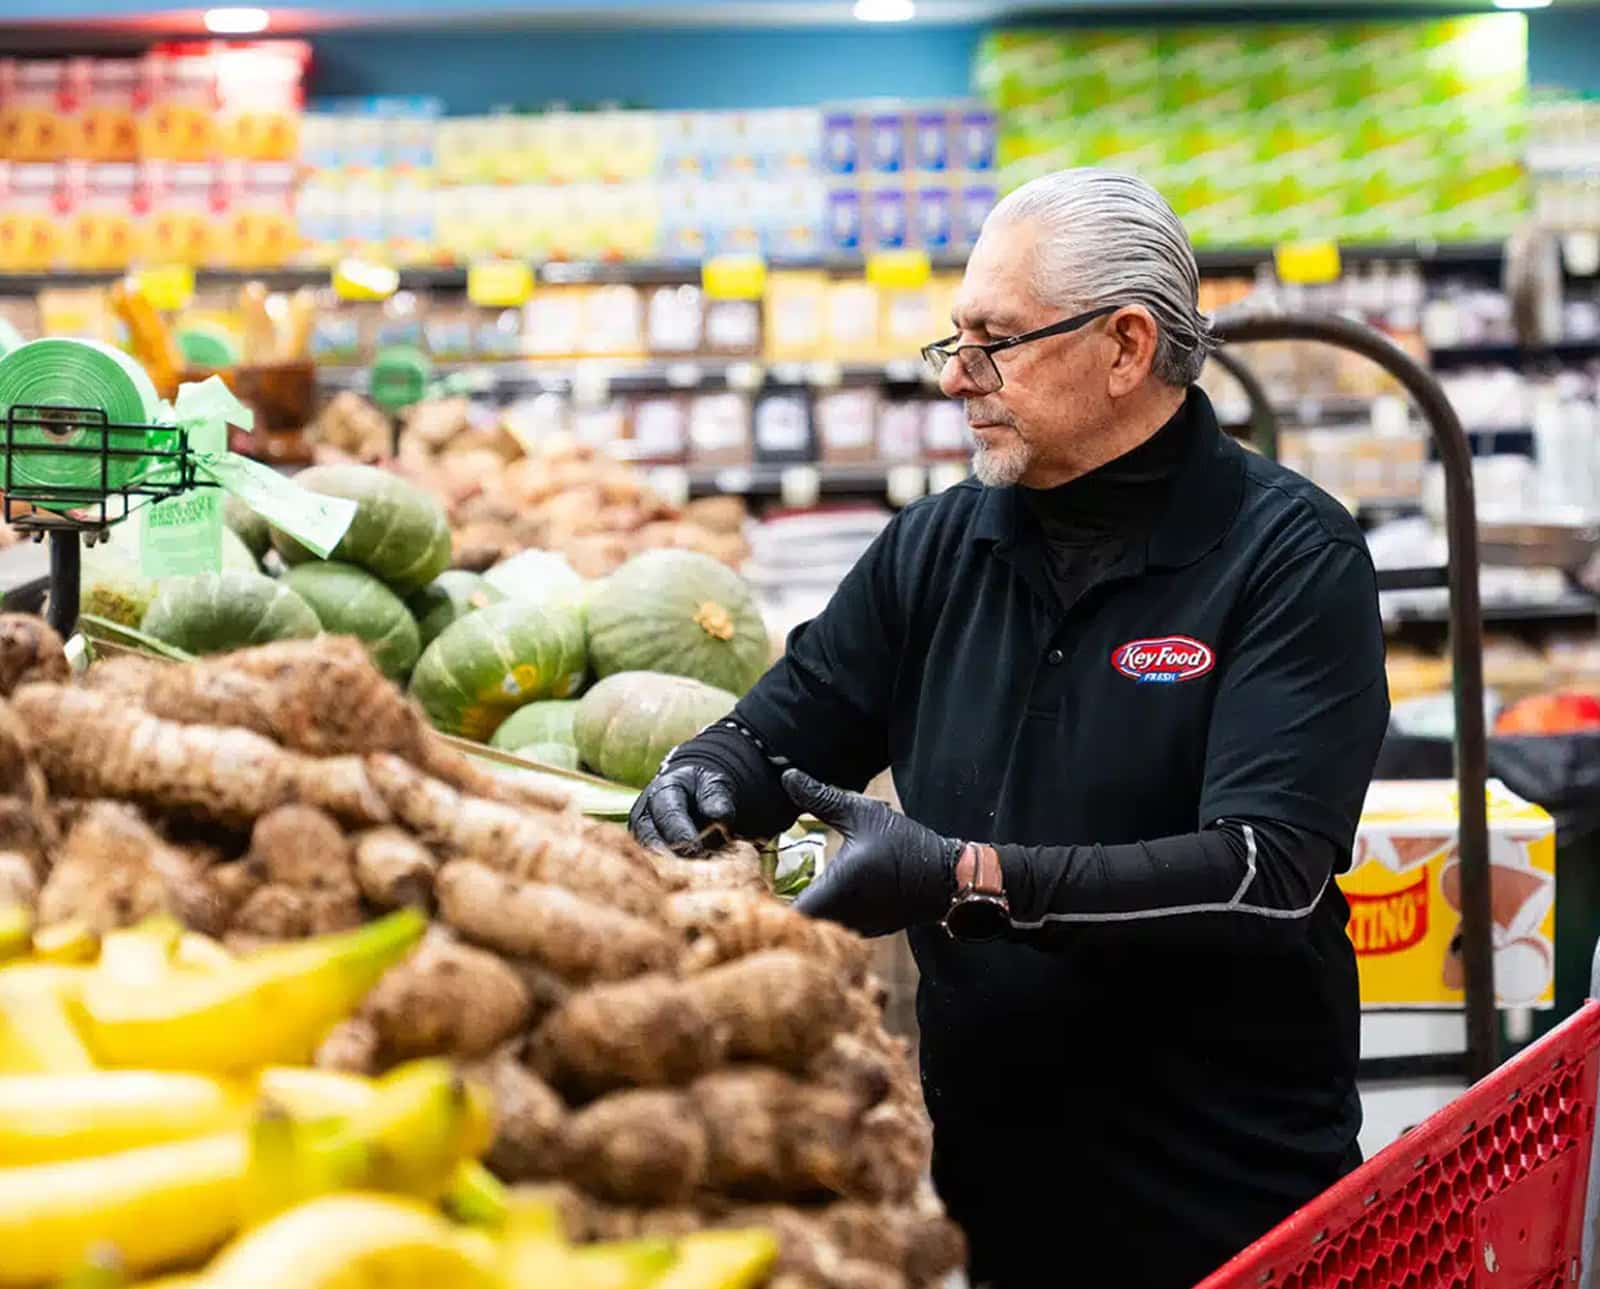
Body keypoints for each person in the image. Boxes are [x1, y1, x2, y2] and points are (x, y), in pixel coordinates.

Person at [630, 167, 1390, 1288]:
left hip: (1231, 1209)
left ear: (1125, 346)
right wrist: (705, 770)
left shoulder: (1289, 557)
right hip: (990, 1199)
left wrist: (968, 877)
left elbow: (1264, 873)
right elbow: (785, 732)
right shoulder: (938, 547)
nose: (956, 377)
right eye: (955, 340)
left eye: (994, 342)